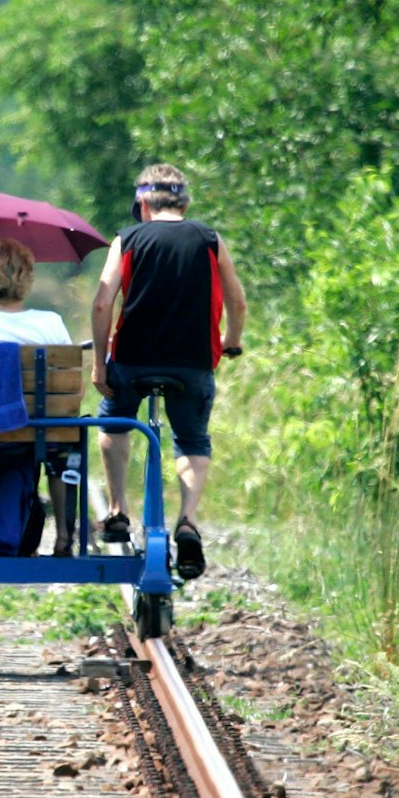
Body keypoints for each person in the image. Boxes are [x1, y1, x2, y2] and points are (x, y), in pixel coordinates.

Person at [89, 163, 247, 580]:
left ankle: (119, 510)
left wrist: (97, 362)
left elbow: (103, 302)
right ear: (185, 202)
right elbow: (238, 301)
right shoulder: (210, 239)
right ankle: (188, 521)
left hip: (132, 360)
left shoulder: (128, 237)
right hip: (193, 362)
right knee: (192, 439)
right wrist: (231, 340)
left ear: (142, 203)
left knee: (115, 422)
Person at [0, 239, 79, 555]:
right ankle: (65, 537)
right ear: (27, 279)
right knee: (65, 445)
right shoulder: (50, 323)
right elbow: (72, 393)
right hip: (42, 434)